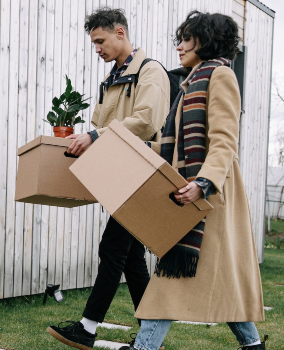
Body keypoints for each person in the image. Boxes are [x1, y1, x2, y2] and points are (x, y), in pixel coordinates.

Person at [119, 10, 267, 350]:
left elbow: (225, 141)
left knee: (170, 280)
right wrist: (138, 147)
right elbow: (175, 145)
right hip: (191, 195)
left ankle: (144, 347)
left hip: (208, 198)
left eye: (187, 39)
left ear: (208, 40)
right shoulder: (190, 82)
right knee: (221, 280)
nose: (180, 46)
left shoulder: (219, 77)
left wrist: (204, 183)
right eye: (180, 39)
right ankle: (253, 346)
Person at [47, 7, 170, 350]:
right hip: (120, 175)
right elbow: (98, 126)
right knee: (130, 259)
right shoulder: (110, 81)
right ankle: (150, 336)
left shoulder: (150, 72)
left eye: (100, 41)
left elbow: (146, 121)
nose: (97, 48)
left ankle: (87, 328)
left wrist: (96, 136)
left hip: (146, 173)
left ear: (120, 33)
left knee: (113, 248)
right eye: (93, 43)